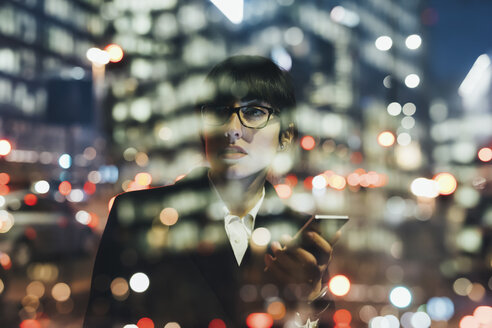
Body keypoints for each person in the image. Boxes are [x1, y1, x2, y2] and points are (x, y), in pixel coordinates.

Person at [84, 55, 336, 328]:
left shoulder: (301, 235)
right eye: (218, 111)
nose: (232, 129)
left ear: (286, 134)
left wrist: (309, 299)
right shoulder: (137, 217)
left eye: (253, 112)